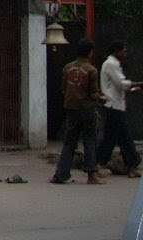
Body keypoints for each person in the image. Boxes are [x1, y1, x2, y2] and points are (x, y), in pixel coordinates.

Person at [52, 39, 107, 185]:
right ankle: (91, 175)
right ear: (89, 53)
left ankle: (61, 174)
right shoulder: (91, 70)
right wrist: (102, 98)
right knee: (89, 141)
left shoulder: (67, 68)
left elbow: (63, 89)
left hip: (71, 109)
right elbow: (94, 93)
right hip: (87, 109)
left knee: (69, 143)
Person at [98, 41, 142, 177]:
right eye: (123, 51)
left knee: (117, 136)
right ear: (117, 51)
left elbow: (117, 87)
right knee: (121, 137)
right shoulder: (111, 64)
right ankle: (129, 164)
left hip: (115, 105)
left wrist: (135, 87)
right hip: (114, 105)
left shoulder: (113, 64)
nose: (125, 54)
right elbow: (121, 84)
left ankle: (128, 164)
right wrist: (138, 83)